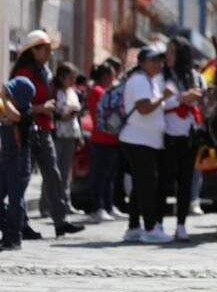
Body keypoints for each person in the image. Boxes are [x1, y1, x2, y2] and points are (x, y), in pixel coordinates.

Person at [10, 30, 84, 238]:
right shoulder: (24, 73)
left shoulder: (43, 72)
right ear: (33, 50)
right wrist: (41, 108)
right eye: (45, 50)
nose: (49, 54)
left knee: (53, 174)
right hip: (26, 130)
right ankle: (20, 223)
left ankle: (60, 221)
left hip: (44, 129)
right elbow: (14, 105)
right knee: (22, 179)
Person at [119, 45, 174, 243]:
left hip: (144, 141)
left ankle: (134, 227)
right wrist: (164, 97)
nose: (157, 63)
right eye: (152, 60)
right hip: (138, 140)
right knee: (147, 185)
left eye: (159, 59)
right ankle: (150, 228)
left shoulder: (148, 80)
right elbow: (144, 108)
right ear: (142, 63)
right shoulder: (140, 80)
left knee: (140, 186)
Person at [158, 36, 205, 241]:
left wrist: (194, 96)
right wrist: (180, 98)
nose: (168, 56)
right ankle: (157, 223)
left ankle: (181, 225)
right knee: (164, 181)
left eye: (171, 52)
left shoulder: (193, 75)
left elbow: (200, 97)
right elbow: (160, 101)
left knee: (185, 182)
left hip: (188, 134)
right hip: (168, 133)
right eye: (167, 52)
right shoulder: (162, 75)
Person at [0, 77, 36, 250]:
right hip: (4, 159)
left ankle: (14, 237)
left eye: (10, 92)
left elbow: (14, 115)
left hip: (19, 162)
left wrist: (4, 97)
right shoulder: (5, 107)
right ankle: (7, 231)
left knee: (15, 201)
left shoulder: (25, 113)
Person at [87, 62, 124, 222]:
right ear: (106, 76)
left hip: (111, 138)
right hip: (101, 138)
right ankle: (97, 207)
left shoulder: (104, 91)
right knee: (100, 175)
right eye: (113, 75)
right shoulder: (97, 91)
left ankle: (108, 206)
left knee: (109, 176)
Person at [51, 62, 83, 216]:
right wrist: (61, 116)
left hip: (71, 134)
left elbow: (78, 114)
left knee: (66, 172)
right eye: (70, 77)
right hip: (58, 135)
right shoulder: (55, 92)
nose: (73, 80)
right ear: (62, 77)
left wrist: (80, 135)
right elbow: (51, 112)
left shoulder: (73, 92)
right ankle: (47, 205)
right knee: (53, 171)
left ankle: (66, 203)